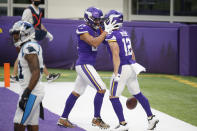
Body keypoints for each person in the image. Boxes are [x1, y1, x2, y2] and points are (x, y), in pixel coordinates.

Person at [57, 7, 117, 129]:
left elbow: (108, 42)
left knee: (76, 92)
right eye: (95, 20)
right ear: (88, 18)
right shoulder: (82, 28)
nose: (98, 22)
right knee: (101, 89)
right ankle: (96, 119)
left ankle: (63, 119)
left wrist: (114, 33)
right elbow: (94, 42)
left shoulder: (99, 29)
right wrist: (105, 32)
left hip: (87, 65)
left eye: (99, 20)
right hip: (84, 64)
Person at [103, 10, 159, 130]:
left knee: (113, 97)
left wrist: (116, 72)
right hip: (131, 65)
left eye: (107, 19)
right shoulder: (124, 32)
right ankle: (151, 117)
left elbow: (116, 54)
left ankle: (123, 124)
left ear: (112, 20)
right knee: (137, 94)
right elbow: (132, 52)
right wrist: (133, 66)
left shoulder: (112, 35)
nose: (105, 21)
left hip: (122, 68)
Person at [10, 0, 60, 83]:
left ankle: (14, 76)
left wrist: (47, 32)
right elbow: (22, 24)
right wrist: (21, 38)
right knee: (34, 55)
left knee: (22, 55)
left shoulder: (39, 10)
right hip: (27, 36)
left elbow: (39, 24)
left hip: (33, 35)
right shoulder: (28, 10)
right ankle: (48, 76)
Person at [10, 21, 45, 131]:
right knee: (31, 125)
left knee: (18, 123)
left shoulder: (29, 47)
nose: (14, 36)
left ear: (25, 34)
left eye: (16, 33)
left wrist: (26, 94)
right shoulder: (28, 45)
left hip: (31, 91)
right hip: (33, 90)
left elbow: (36, 72)